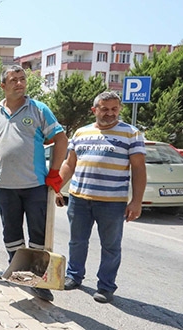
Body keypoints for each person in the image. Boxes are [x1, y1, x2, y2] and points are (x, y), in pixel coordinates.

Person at [0, 64, 68, 302]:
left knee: (38, 235)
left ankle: (39, 282)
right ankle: (16, 270)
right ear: (3, 85)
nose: (20, 83)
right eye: (14, 80)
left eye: (22, 79)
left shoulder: (38, 110)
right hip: (5, 186)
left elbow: (61, 140)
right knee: (11, 233)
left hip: (34, 185)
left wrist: (54, 173)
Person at [55, 91, 146, 304]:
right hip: (79, 198)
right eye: (104, 109)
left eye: (114, 109)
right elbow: (69, 164)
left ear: (120, 110)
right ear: (95, 110)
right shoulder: (81, 133)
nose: (110, 113)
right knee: (77, 241)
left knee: (111, 246)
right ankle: (74, 276)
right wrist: (57, 187)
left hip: (112, 202)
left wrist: (136, 201)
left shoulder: (131, 134)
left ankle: (106, 286)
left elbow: (139, 168)